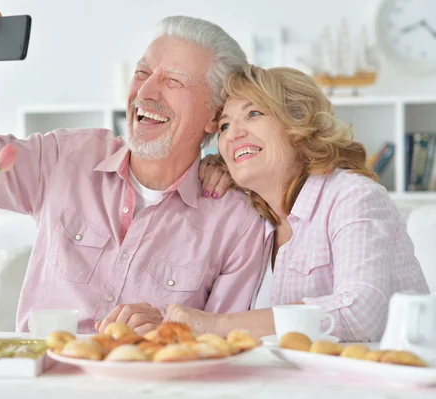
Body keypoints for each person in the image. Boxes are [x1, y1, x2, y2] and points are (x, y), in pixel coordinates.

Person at [0, 6, 266, 334]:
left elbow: (226, 347)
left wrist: (168, 333)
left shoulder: (237, 220)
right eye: (142, 72)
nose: (146, 92)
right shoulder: (66, 157)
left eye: (173, 81)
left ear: (215, 115)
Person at [165, 65, 429, 342]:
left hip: (383, 379)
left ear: (298, 123)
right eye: (224, 126)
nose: (232, 134)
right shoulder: (252, 218)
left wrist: (217, 326)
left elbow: (360, 313)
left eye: (253, 113)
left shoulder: (353, 195)